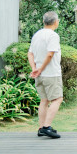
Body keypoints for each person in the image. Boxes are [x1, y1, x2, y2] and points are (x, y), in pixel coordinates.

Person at [27, 11, 63, 139]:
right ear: (55, 22)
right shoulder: (53, 35)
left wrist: (35, 69)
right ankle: (47, 127)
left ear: (44, 22)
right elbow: (50, 54)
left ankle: (41, 128)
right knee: (57, 99)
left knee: (44, 100)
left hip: (40, 75)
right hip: (51, 74)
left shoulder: (37, 35)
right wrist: (40, 69)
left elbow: (30, 53)